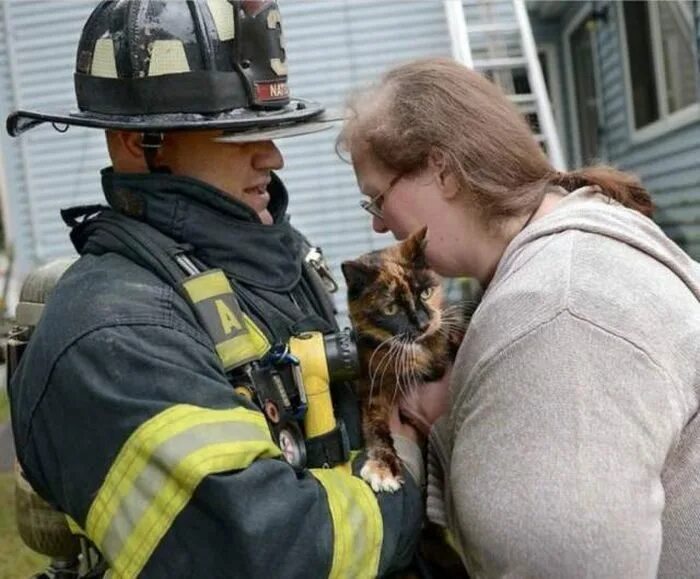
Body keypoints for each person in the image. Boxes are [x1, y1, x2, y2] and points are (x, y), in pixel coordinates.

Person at [6, 2, 424, 577]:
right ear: (137, 142)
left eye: (269, 128)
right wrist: (403, 472)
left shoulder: (272, 260)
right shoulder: (113, 334)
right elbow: (265, 553)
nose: (272, 156)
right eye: (236, 132)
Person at [339, 57, 700, 578]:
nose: (378, 228)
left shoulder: (556, 317)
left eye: (376, 199)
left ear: (440, 169)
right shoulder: (584, 234)